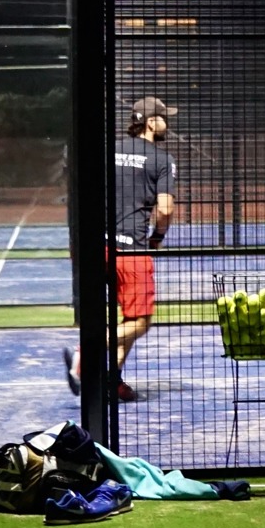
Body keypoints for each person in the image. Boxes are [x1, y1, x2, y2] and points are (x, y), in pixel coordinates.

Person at [66, 96, 176, 401]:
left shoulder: (108, 150)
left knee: (128, 319)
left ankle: (111, 382)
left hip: (97, 245)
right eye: (164, 117)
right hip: (132, 249)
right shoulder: (161, 159)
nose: (167, 122)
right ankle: (86, 354)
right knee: (141, 322)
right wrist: (158, 237)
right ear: (151, 123)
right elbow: (165, 209)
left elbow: (85, 192)